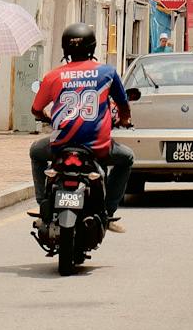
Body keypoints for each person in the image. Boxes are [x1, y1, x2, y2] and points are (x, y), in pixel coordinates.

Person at [29, 22, 134, 230]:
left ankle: (43, 204)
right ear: (92, 48)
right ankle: (108, 211)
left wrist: (47, 117)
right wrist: (124, 120)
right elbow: (123, 105)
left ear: (65, 49)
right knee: (127, 158)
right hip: (97, 147)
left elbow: (36, 109)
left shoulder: (53, 76)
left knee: (36, 152)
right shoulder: (107, 73)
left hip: (61, 145)